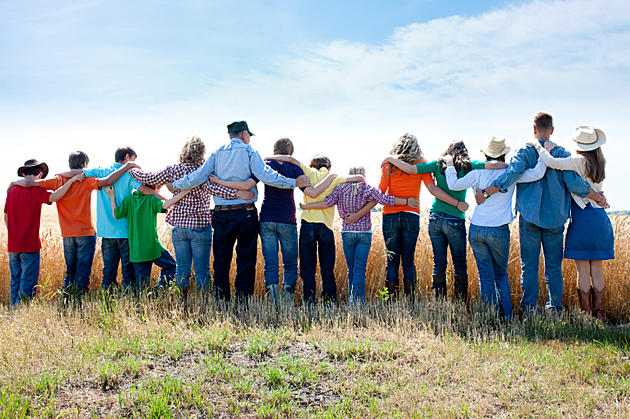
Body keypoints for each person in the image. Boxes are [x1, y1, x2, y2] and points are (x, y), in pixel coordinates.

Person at [479, 113, 607, 313]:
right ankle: (554, 309)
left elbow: (511, 173)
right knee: (553, 267)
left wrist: (489, 191)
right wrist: (597, 196)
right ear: (552, 130)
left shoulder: (524, 151)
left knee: (528, 265)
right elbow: (574, 183)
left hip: (529, 217)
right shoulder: (562, 154)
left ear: (534, 129)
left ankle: (530, 308)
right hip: (556, 218)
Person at [170, 121, 310, 302]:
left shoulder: (216, 153)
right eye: (249, 136)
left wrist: (176, 185)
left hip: (221, 214)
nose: (249, 139)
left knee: (221, 260)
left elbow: (197, 177)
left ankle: (221, 300)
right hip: (246, 213)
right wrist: (293, 183)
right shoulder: (250, 152)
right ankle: (243, 301)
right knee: (246, 259)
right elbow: (266, 175)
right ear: (244, 134)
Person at [127, 137, 253, 296]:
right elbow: (216, 190)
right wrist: (237, 193)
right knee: (202, 271)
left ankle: (183, 303)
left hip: (179, 227)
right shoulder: (203, 171)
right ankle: (203, 303)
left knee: (182, 270)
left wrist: (130, 168)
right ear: (201, 153)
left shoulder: (172, 170)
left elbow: (148, 178)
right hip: (200, 226)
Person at [383, 141, 506, 301]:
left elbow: (412, 169)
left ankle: (440, 301)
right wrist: (511, 166)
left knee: (439, 261)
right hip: (455, 219)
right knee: (459, 262)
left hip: (435, 218)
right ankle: (461, 301)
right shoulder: (469, 165)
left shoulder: (437, 164)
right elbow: (493, 165)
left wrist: (390, 159)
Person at [8, 151, 138, 296]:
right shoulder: (87, 180)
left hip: (67, 234)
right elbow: (107, 181)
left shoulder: (58, 180)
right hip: (85, 233)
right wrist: (127, 167)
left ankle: (68, 299)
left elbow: (31, 183)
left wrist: (14, 183)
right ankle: (79, 300)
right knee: (82, 272)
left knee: (70, 271)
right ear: (84, 165)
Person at [444, 138, 547, 318]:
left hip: (477, 228)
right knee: (500, 274)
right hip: (499, 230)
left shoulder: (477, 173)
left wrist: (450, 164)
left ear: (486, 154)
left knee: (485, 275)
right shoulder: (511, 173)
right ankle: (506, 316)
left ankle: (489, 317)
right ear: (504, 154)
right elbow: (538, 173)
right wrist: (543, 151)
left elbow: (453, 184)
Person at [235, 137, 336, 302]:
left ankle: (275, 302)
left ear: (275, 151)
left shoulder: (266, 165)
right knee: (290, 263)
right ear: (291, 152)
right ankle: (287, 301)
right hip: (287, 220)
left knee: (271, 263)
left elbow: (249, 182)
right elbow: (311, 193)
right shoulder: (294, 168)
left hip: (267, 219)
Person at [529, 126, 614, 318]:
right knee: (597, 270)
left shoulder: (578, 161)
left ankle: (586, 314)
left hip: (583, 220)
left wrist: (540, 147)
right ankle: (599, 314)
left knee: (583, 270)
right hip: (600, 220)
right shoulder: (601, 162)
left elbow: (551, 162)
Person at [300, 167, 419, 303]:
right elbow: (385, 199)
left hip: (347, 234)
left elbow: (327, 203)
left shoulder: (340, 188)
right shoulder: (367, 188)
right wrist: (407, 202)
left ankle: (353, 300)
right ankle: (356, 302)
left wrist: (306, 206)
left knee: (352, 269)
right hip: (364, 234)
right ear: (363, 175)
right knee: (360, 269)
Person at [375, 134, 465, 299]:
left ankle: (388, 300)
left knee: (391, 260)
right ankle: (410, 301)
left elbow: (380, 193)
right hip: (411, 215)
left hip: (390, 215)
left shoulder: (388, 165)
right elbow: (432, 189)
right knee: (408, 260)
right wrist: (457, 203)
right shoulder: (421, 163)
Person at [268, 153, 364, 304]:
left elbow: (292, 160)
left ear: (312, 165)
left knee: (308, 268)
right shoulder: (334, 177)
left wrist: (271, 157)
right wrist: (348, 177)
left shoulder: (308, 171)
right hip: (326, 226)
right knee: (327, 268)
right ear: (329, 167)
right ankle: (329, 301)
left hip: (308, 224)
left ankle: (309, 301)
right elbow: (358, 178)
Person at [59, 147, 155, 290]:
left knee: (108, 271)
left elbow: (78, 172)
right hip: (125, 231)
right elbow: (144, 190)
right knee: (128, 271)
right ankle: (128, 299)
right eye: (133, 160)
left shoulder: (101, 170)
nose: (134, 165)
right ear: (127, 157)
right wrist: (164, 200)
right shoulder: (129, 174)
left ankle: (107, 300)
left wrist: (59, 173)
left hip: (106, 232)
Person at [5, 159, 83, 305]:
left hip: (13, 245)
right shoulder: (36, 190)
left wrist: (14, 234)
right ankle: (20, 312)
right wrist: (71, 182)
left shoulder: (12, 190)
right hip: (30, 245)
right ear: (40, 174)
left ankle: (13, 308)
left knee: (15, 278)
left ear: (23, 173)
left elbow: (6, 216)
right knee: (27, 281)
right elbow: (54, 197)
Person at [106, 184, 189, 289]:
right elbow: (165, 205)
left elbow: (116, 214)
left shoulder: (129, 200)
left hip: (137, 251)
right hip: (153, 248)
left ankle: (139, 301)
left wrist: (111, 195)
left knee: (141, 287)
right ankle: (159, 290)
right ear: (154, 189)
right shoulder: (152, 199)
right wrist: (184, 192)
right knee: (171, 266)